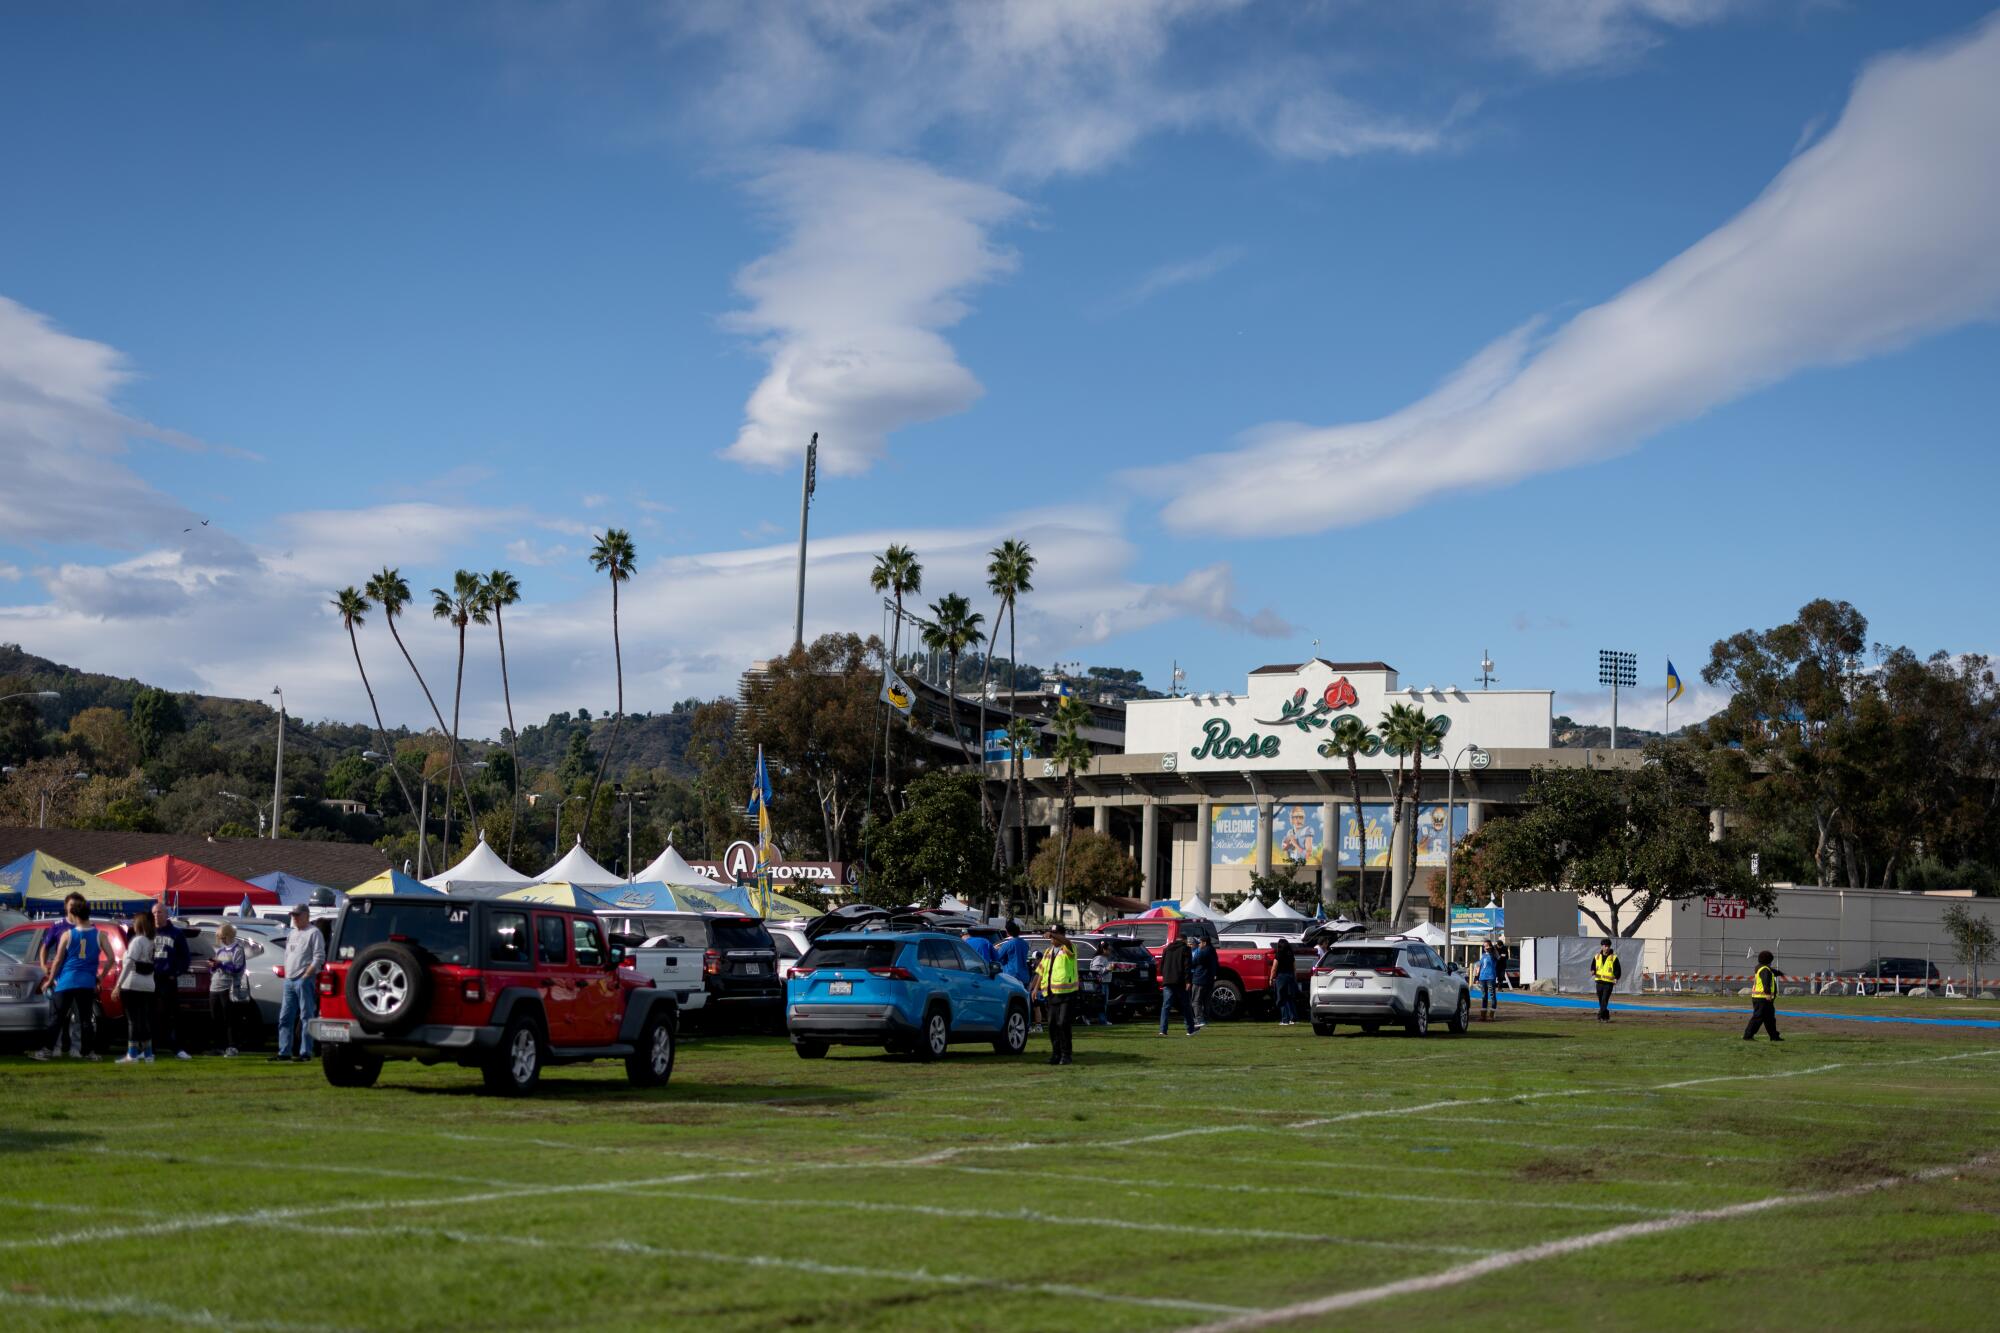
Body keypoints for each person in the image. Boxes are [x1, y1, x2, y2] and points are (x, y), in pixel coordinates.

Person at [33, 899, 104, 1061]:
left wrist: (50, 979)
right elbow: (111, 958)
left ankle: (52, 1050)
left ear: (76, 914)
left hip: (66, 980)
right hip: (83, 981)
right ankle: (86, 1052)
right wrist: (100, 977)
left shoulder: (69, 933)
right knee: (83, 1019)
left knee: (60, 1017)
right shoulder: (97, 933)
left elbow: (58, 959)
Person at [271, 905, 324, 1063]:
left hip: (304, 979)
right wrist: (287, 974)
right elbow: (288, 955)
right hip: (290, 979)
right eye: (293, 915)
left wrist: (307, 974)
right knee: (285, 1017)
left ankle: (305, 1052)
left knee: (306, 1016)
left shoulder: (314, 932)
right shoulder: (292, 933)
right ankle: (284, 1051)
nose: (294, 918)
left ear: (306, 915)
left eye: (297, 915)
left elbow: (319, 956)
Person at [208, 923, 265, 1057]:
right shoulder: (221, 950)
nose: (222, 940)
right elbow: (213, 970)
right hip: (215, 987)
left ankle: (232, 1046)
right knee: (216, 1018)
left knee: (230, 1018)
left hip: (228, 987)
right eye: (220, 938)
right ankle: (219, 1046)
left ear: (229, 936)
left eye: (223, 937)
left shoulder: (237, 950)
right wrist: (213, 965)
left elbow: (238, 968)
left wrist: (222, 964)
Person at [149, 901, 194, 1060]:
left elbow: (185, 957)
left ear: (167, 914)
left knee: (170, 1015)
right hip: (150, 979)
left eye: (159, 912)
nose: (156, 915)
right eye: (154, 913)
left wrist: (176, 972)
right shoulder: (148, 933)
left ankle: (177, 1048)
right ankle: (150, 1049)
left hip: (167, 979)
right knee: (151, 1015)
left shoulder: (176, 933)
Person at [1034, 924, 1079, 1066]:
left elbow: (1067, 942)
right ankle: (1056, 1054)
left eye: (1055, 934)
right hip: (1051, 993)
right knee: (1052, 1024)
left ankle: (1066, 1055)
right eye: (1051, 934)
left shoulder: (1068, 948)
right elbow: (1041, 971)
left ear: (1062, 935)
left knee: (1063, 1023)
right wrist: (1035, 989)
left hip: (1067, 993)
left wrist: (1053, 934)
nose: (1052, 937)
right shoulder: (1048, 951)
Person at [117, 910, 157, 1064]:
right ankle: (148, 1054)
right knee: (144, 1020)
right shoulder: (151, 941)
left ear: (139, 924)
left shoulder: (137, 941)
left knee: (132, 1020)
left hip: (132, 983)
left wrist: (118, 985)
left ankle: (132, 1054)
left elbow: (129, 963)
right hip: (148, 984)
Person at [993, 921, 1035, 1031]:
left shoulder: (1008, 944)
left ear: (1007, 932)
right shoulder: (1024, 943)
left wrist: (996, 950)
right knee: (1025, 1001)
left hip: (1012, 975)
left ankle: (1011, 1024)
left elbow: (997, 957)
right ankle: (1027, 1023)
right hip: (1024, 975)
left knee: (1011, 1003)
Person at [1158, 934, 1196, 1036]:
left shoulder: (1167, 949)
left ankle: (1163, 1030)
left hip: (1167, 980)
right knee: (1186, 1005)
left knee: (1166, 1006)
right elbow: (1187, 966)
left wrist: (1165, 975)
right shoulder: (1185, 949)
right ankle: (1190, 1029)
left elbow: (1161, 965)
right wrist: (1188, 981)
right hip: (1180, 981)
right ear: (1184, 940)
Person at [1744, 950, 1785, 1042]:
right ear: (1769, 961)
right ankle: (1748, 1035)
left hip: (1760, 998)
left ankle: (1774, 1036)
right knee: (1758, 1018)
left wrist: (1779, 973)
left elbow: (1772, 971)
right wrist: (1768, 995)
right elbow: (1766, 983)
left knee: (1770, 1019)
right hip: (1762, 998)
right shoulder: (1765, 970)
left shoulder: (1760, 967)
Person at [1270, 936, 1300, 1026]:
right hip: (1290, 976)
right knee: (1290, 998)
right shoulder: (1291, 955)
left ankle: (1285, 1019)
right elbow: (1294, 968)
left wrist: (1271, 978)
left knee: (1281, 999)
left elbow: (1274, 968)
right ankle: (1293, 1019)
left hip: (1281, 977)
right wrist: (1295, 979)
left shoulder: (1278, 955)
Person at [1189, 937, 1216, 1029]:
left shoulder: (1204, 951)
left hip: (1200, 978)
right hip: (1209, 979)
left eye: (1200, 943)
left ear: (1204, 943)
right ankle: (1205, 1019)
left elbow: (1195, 961)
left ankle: (1199, 1020)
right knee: (1206, 1001)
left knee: (1195, 1000)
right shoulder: (1212, 951)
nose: (1199, 945)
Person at [1592, 938, 1620, 1022]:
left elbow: (1617, 970)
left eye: (1608, 946)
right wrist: (1593, 971)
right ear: (1602, 946)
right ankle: (1606, 1016)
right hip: (1599, 982)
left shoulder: (1614, 958)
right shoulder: (1596, 956)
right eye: (1605, 946)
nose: (1607, 948)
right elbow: (1593, 967)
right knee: (1601, 1001)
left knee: (1604, 999)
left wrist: (1616, 978)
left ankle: (1600, 1015)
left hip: (1608, 983)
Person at [1088, 946, 1116, 1026]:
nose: (1110, 951)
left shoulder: (1104, 958)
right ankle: (1102, 1020)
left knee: (1103, 1003)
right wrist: (1107, 968)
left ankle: (1102, 1020)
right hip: (1100, 983)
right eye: (1108, 949)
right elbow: (1095, 970)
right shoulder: (1099, 958)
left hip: (1105, 982)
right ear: (1104, 950)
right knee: (1101, 1002)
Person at [1476, 941, 1504, 1021]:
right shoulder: (1483, 955)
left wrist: (1492, 948)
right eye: (1484, 946)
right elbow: (1480, 966)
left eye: (1486, 946)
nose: (1485, 948)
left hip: (1490, 977)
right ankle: (1483, 1015)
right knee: (1484, 996)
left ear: (1490, 946)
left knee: (1492, 995)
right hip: (1482, 977)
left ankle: (1492, 1015)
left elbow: (1498, 957)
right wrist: (1477, 977)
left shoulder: (1493, 955)